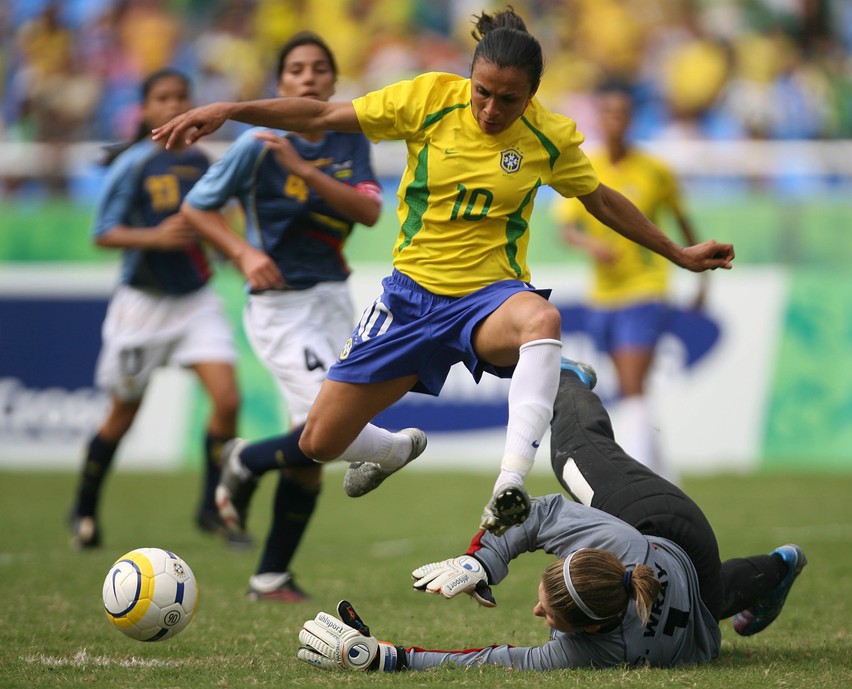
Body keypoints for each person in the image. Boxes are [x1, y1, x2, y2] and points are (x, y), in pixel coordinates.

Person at [153, 7, 734, 537]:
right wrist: (228, 110)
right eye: (483, 93)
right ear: (470, 77)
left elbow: (601, 199)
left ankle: (510, 481)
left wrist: (677, 254)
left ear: (532, 94)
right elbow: (322, 113)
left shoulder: (548, 137)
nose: (490, 110)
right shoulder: (429, 99)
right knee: (318, 440)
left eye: (508, 100)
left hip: (488, 299)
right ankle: (397, 448)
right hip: (409, 301)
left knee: (542, 315)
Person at [293, 358, 808, 672]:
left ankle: (565, 380)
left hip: (688, 584)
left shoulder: (605, 642)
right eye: (548, 607)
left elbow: (495, 660)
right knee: (576, 463)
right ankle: (572, 386)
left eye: (549, 613)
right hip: (665, 525)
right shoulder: (620, 551)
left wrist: (388, 657)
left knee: (571, 456)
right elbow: (537, 514)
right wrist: (482, 560)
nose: (538, 614)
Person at [180, 32, 383, 601]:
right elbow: (196, 208)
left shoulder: (350, 139)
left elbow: (367, 210)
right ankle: (243, 459)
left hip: (334, 300)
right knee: (332, 431)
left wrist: (306, 169)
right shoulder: (258, 145)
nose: (309, 78)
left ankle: (269, 576)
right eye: (296, 70)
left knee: (314, 451)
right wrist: (243, 252)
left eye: (320, 68)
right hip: (281, 307)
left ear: (334, 82)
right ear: (280, 84)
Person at [69, 68, 241, 549]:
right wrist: (155, 237)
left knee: (227, 400)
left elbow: (219, 222)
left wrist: (238, 256)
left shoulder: (206, 162)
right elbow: (103, 233)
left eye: (182, 97)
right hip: (142, 303)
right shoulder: (135, 164)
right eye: (163, 98)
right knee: (122, 414)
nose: (173, 105)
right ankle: (84, 507)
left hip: (195, 299)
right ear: (145, 110)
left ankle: (212, 507)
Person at [555, 85, 709, 482]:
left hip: (646, 289)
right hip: (603, 295)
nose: (615, 121)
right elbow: (567, 228)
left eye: (622, 113)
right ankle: (667, 479)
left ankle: (635, 482)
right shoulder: (586, 167)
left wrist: (701, 273)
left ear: (632, 119)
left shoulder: (655, 171)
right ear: (600, 119)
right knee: (632, 388)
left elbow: (683, 220)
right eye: (608, 113)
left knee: (631, 384)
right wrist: (593, 246)